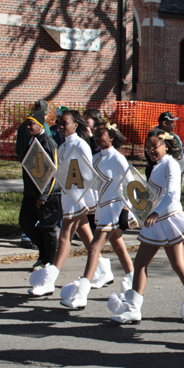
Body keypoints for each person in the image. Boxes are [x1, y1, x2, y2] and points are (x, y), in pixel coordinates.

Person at [108, 128, 184, 324]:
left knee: (178, 265)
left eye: (155, 146)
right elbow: (152, 195)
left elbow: (171, 195)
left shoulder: (171, 164)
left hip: (169, 219)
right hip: (156, 221)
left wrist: (154, 213)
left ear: (166, 145)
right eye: (148, 147)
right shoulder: (156, 166)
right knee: (140, 263)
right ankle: (133, 308)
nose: (151, 150)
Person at [29, 110, 110, 295]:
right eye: (59, 123)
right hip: (67, 197)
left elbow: (89, 174)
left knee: (65, 237)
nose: (61, 126)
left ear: (75, 125)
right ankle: (104, 270)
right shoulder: (62, 147)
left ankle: (49, 281)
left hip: (77, 198)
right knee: (88, 239)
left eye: (65, 123)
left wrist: (87, 198)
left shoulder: (81, 145)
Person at [60, 122, 135, 309]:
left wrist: (127, 209)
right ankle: (135, 286)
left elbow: (132, 185)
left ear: (111, 137)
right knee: (119, 248)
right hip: (102, 208)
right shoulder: (95, 159)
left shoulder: (118, 159)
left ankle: (82, 294)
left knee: (94, 247)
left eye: (101, 134)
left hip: (114, 207)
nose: (96, 137)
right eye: (95, 134)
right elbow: (92, 184)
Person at [18, 109, 61, 274]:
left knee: (48, 228)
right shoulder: (32, 140)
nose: (28, 127)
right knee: (25, 223)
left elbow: (53, 171)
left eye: (32, 124)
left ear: (40, 124)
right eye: (27, 124)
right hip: (30, 194)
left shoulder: (47, 142)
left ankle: (48, 261)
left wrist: (43, 195)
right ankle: (44, 252)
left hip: (47, 195)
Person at [16, 99, 50, 250]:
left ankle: (42, 246)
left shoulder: (23, 126)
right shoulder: (43, 129)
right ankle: (40, 243)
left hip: (33, 176)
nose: (30, 127)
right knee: (33, 215)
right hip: (37, 177)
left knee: (32, 214)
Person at [147, 111, 184, 179]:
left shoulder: (174, 136)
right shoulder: (155, 136)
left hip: (177, 172)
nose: (174, 124)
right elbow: (151, 153)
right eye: (172, 122)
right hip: (163, 174)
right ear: (164, 123)